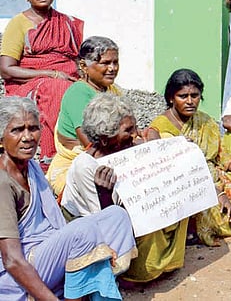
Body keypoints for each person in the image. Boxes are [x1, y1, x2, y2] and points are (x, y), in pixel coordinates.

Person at [0, 96, 136, 300]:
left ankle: (86, 289)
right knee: (83, 230)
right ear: (1, 139)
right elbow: (11, 260)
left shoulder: (32, 168)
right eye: (17, 130)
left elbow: (55, 223)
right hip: (22, 271)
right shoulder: (3, 182)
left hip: (47, 253)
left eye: (33, 128)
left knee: (116, 216)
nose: (27, 137)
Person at [61, 93, 189, 284]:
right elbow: (104, 224)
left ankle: (166, 263)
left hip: (124, 216)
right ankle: (135, 273)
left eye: (135, 127)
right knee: (149, 223)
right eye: (128, 130)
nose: (136, 134)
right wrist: (104, 193)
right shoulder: (86, 166)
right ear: (105, 139)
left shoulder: (125, 151)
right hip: (95, 228)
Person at [147, 69, 231, 245]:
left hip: (216, 177)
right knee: (219, 215)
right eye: (183, 96)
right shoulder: (159, 128)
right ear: (171, 98)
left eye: (194, 96)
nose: (190, 101)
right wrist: (218, 193)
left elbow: (224, 156)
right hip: (188, 186)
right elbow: (173, 171)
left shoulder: (205, 121)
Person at [0, 0, 83, 165]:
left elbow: (78, 60)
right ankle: (51, 158)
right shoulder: (18, 23)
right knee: (56, 88)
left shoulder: (66, 23)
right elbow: (6, 69)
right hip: (30, 82)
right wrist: (51, 74)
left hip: (68, 76)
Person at [46, 36, 122, 196]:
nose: (112, 68)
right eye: (105, 63)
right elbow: (91, 144)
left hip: (108, 157)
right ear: (83, 66)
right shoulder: (78, 94)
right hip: (77, 166)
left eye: (115, 62)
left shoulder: (112, 90)